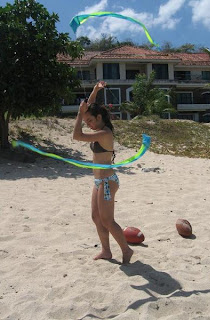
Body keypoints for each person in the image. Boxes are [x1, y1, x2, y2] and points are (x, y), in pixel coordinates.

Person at [73, 81, 134, 264]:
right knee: (96, 217)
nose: (88, 124)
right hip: (99, 181)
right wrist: (95, 90)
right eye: (86, 122)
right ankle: (106, 251)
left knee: (107, 220)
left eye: (90, 121)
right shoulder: (99, 126)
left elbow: (77, 136)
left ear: (99, 117)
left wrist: (78, 114)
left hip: (107, 181)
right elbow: (89, 109)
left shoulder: (104, 133)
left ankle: (126, 249)